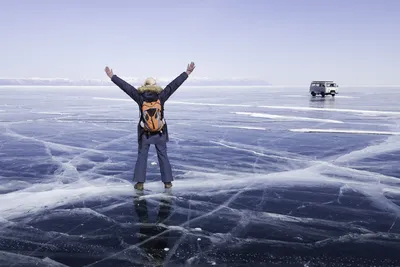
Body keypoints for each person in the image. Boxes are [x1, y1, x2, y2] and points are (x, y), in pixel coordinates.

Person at [104, 62, 196, 190]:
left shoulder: (140, 97)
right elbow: (174, 85)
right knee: (163, 156)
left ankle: (140, 183)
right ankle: (167, 182)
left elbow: (126, 87)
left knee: (142, 156)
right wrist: (187, 73)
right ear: (155, 86)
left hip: (144, 133)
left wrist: (112, 76)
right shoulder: (161, 96)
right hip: (160, 132)